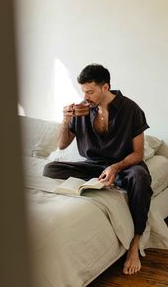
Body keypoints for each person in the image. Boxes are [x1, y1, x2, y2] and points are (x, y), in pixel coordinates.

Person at [43, 63, 153, 275]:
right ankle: (101, 183)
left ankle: (135, 244)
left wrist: (115, 166)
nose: (86, 96)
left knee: (139, 178)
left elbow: (138, 153)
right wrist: (66, 120)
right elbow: (62, 145)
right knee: (50, 168)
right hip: (93, 166)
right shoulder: (81, 110)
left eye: (90, 91)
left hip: (124, 165)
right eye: (83, 91)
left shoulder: (131, 110)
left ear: (105, 87)